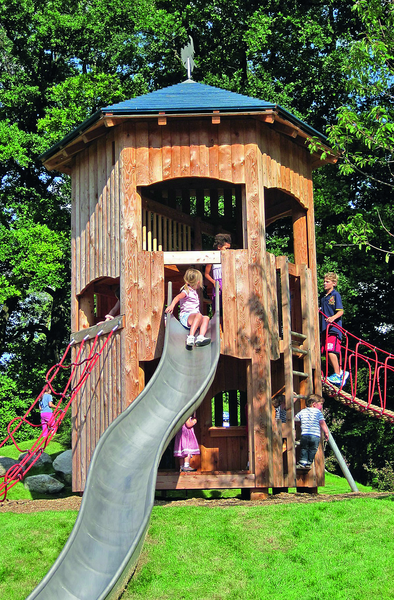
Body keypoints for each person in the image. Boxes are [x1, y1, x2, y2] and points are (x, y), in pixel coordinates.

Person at [165, 268, 211, 349]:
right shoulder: (186, 291)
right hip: (186, 317)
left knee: (206, 318)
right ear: (198, 282)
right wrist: (171, 306)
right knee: (199, 315)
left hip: (194, 318)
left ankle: (200, 337)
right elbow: (177, 297)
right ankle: (190, 337)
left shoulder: (194, 292)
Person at [320, 272, 349, 386]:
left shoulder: (335, 295)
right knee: (325, 352)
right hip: (324, 329)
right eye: (324, 281)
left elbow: (341, 311)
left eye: (327, 282)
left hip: (333, 329)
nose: (324, 283)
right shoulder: (323, 297)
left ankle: (337, 375)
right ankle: (341, 372)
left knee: (330, 350)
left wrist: (333, 318)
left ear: (334, 283)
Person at [294, 394, 329, 469]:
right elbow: (322, 423)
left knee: (304, 448)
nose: (321, 406)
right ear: (314, 404)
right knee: (313, 449)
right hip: (315, 435)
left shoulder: (303, 411)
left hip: (305, 434)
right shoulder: (318, 412)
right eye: (321, 404)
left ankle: (302, 463)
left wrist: (301, 423)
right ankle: (309, 462)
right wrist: (326, 432)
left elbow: (295, 419)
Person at [204, 233, 231, 309]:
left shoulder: (229, 258)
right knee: (217, 305)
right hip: (217, 284)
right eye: (226, 248)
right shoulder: (212, 258)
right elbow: (206, 274)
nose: (228, 251)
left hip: (227, 282)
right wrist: (214, 282)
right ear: (219, 247)